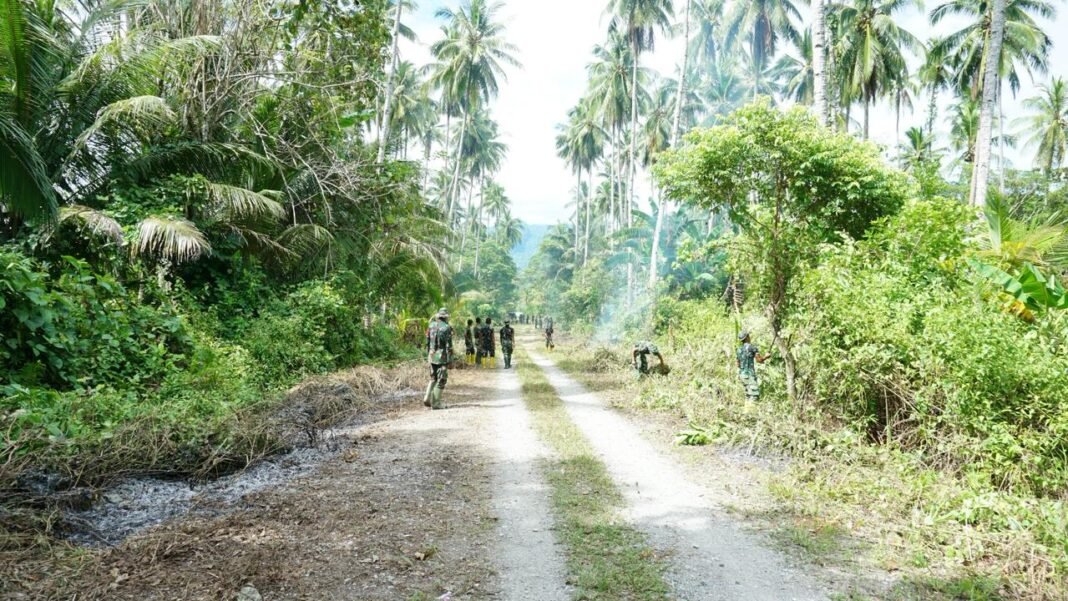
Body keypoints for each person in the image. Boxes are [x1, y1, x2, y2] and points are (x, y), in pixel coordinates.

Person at [424, 308, 454, 410]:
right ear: (445, 317)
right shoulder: (447, 328)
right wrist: (450, 360)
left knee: (433, 378)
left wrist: (429, 355)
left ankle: (427, 398)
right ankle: (436, 403)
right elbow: (449, 346)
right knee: (442, 379)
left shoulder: (431, 325)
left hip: (431, 355)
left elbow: (427, 342)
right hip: (442, 357)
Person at [737, 331, 771, 401]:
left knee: (748, 395)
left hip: (742, 375)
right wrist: (766, 356)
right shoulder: (752, 348)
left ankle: (747, 410)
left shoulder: (739, 350)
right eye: (748, 335)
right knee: (754, 395)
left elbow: (738, 364)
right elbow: (759, 360)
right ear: (746, 337)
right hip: (749, 375)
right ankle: (751, 411)